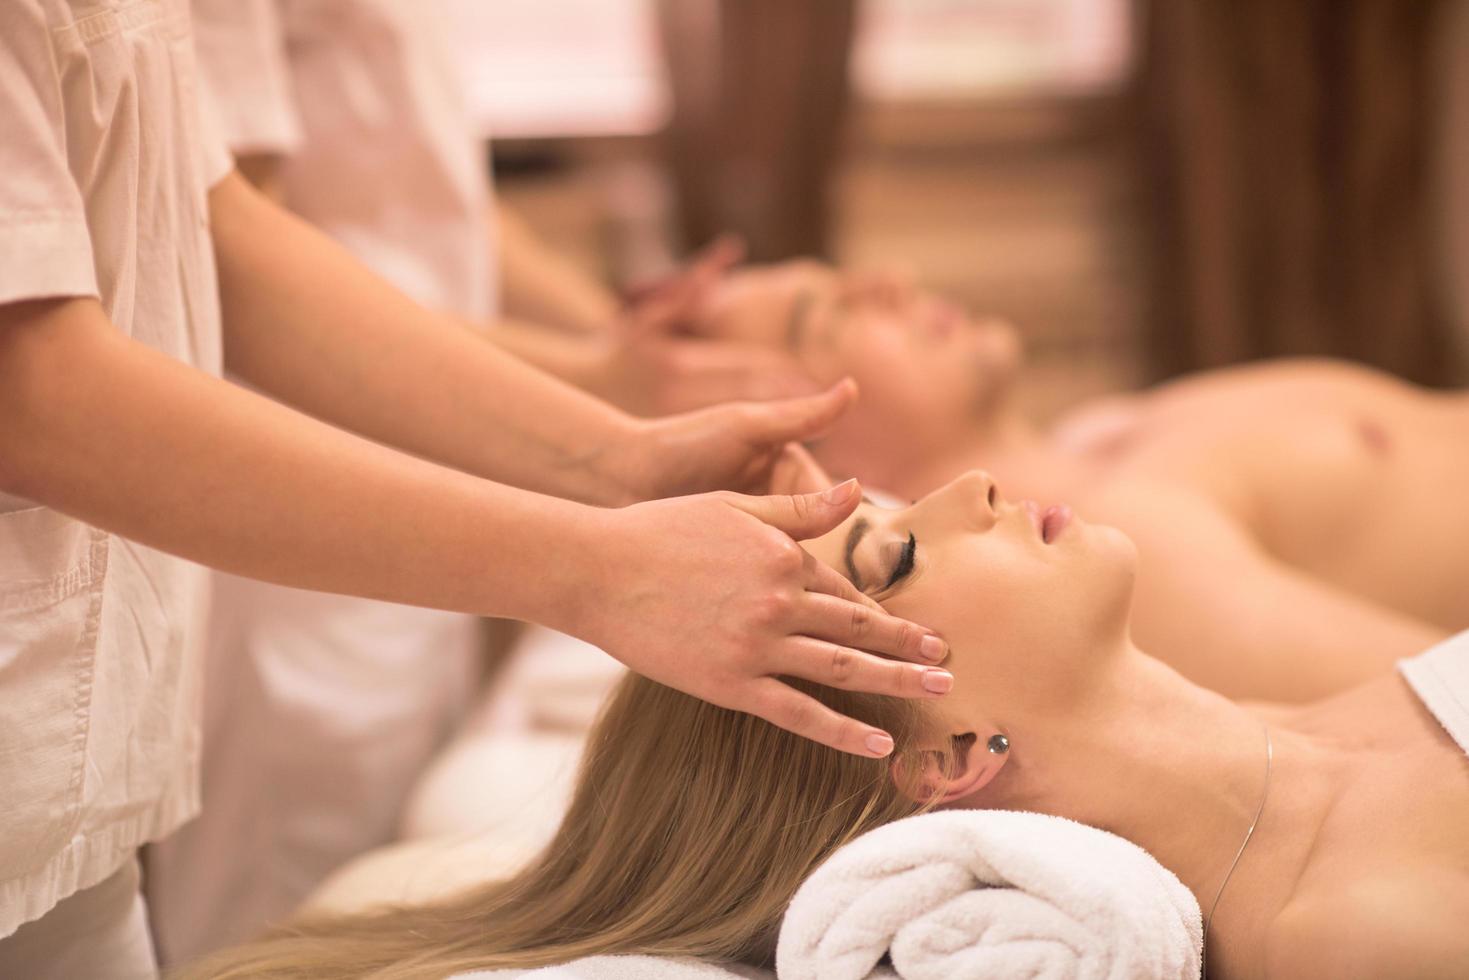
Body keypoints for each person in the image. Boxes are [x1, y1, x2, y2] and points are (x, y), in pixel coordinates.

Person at [0, 5, 946, 974]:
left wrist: (618, 456)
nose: (981, 491)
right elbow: (27, 388)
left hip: (72, 788)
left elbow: (205, 225)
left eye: (895, 542)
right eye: (896, 552)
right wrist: (591, 561)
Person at [173, 466, 1469, 980]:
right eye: (896, 560)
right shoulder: (1348, 928)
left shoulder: (1334, 724)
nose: (975, 485)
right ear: (953, 756)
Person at [146, 1, 816, 962]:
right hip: (301, 493)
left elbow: (425, 197)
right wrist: (602, 418)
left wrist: (612, 381)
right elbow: (223, 257)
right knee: (267, 909)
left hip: (391, 477)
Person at [677, 259, 1469, 700]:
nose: (884, 279)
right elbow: (1443, 706)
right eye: (826, 317)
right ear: (788, 437)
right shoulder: (1111, 544)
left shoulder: (1103, 436)